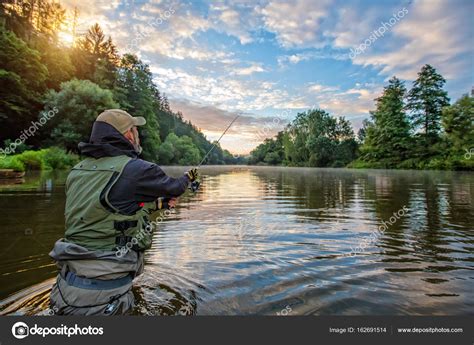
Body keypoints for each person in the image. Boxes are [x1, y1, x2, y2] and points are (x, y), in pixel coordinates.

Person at [49, 109, 198, 315]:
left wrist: (159, 205)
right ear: (128, 134)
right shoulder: (137, 169)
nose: (138, 135)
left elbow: (106, 209)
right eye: (136, 130)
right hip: (103, 300)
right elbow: (175, 188)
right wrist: (188, 177)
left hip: (64, 289)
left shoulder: (78, 171)